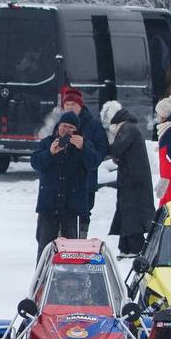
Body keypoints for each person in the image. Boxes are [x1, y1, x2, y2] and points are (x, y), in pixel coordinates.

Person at [31, 111, 97, 258]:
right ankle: (42, 279)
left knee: (71, 250)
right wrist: (50, 153)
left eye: (71, 127)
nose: (66, 130)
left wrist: (82, 147)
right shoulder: (47, 143)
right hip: (48, 207)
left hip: (72, 209)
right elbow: (35, 163)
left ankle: (70, 279)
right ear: (58, 126)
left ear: (77, 131)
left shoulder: (84, 145)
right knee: (45, 249)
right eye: (64, 126)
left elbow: (93, 163)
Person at [101, 100, 154, 257]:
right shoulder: (129, 127)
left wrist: (104, 143)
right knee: (128, 212)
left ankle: (134, 247)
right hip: (133, 180)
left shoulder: (128, 128)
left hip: (134, 181)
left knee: (132, 213)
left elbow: (116, 149)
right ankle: (126, 247)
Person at [58, 87, 108, 238]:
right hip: (64, 178)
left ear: (80, 105)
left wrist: (92, 158)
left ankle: (82, 237)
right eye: (67, 104)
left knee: (85, 210)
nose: (69, 107)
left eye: (73, 104)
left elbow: (102, 147)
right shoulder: (60, 125)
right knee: (63, 211)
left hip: (86, 177)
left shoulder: (93, 124)